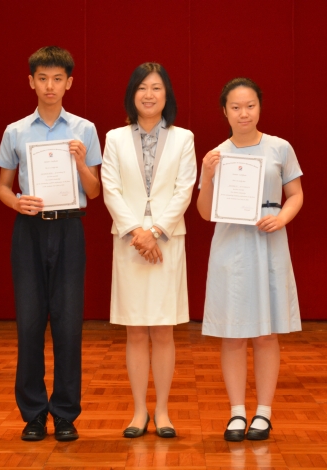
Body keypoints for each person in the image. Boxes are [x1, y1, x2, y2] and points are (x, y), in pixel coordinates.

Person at [0, 46, 102, 442]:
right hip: (29, 231)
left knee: (69, 324)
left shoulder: (85, 130)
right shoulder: (16, 131)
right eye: (42, 78)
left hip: (70, 229)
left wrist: (80, 163)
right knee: (29, 323)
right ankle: (34, 414)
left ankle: (66, 414)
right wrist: (16, 202)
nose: (50, 86)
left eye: (57, 79)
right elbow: (3, 187)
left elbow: (94, 190)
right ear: (31, 82)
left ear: (69, 83)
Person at [196, 77, 303, 442]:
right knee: (232, 334)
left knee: (266, 333)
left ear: (260, 107)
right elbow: (205, 212)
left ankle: (264, 413)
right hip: (231, 248)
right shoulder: (216, 154)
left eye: (250, 106)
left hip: (269, 241)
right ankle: (237, 412)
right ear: (225, 112)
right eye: (236, 107)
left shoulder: (280, 147)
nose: (244, 113)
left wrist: (282, 218)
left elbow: (295, 194)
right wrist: (207, 174)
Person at [101, 63, 197, 439]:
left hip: (166, 241)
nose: (149, 94)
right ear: (132, 94)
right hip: (129, 242)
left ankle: (163, 411)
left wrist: (155, 231)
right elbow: (110, 188)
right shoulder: (114, 138)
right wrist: (137, 232)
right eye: (142, 87)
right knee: (136, 331)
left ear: (166, 94)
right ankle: (139, 411)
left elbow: (184, 189)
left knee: (163, 330)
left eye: (156, 87)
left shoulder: (183, 138)